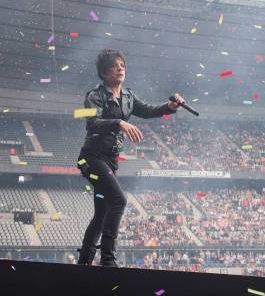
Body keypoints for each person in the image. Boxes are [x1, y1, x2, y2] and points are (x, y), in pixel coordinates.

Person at [76, 49, 185, 267]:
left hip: (109, 161)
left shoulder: (128, 96)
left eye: (122, 65)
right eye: (115, 66)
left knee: (102, 214)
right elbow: (91, 122)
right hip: (90, 159)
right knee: (118, 200)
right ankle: (108, 259)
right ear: (105, 72)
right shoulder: (93, 96)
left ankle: (83, 263)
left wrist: (170, 107)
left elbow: (149, 110)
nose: (120, 68)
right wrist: (118, 122)